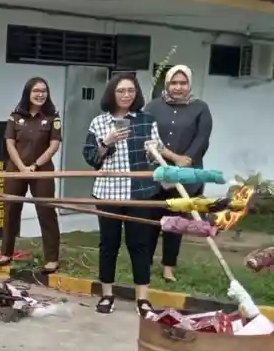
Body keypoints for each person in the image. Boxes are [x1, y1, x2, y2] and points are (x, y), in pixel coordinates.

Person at [83, 72, 163, 316]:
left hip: (139, 192)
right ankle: (107, 294)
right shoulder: (98, 122)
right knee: (109, 244)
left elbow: (157, 157)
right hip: (108, 192)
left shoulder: (147, 120)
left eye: (131, 90)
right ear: (112, 94)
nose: (126, 95)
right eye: (121, 91)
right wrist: (106, 142)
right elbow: (91, 158)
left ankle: (143, 298)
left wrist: (153, 150)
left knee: (140, 244)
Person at [145, 65, 213, 282]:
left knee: (175, 223)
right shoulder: (153, 107)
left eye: (183, 83)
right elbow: (146, 136)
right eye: (174, 83)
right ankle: (144, 262)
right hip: (156, 173)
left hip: (185, 175)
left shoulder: (200, 108)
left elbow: (202, 139)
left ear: (189, 84)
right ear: (167, 84)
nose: (178, 87)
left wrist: (187, 161)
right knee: (151, 221)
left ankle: (168, 267)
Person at [0, 77, 63, 272]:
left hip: (41, 170)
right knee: (10, 210)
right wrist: (21, 167)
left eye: (44, 90)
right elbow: (10, 142)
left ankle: (52, 258)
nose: (40, 94)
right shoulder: (16, 115)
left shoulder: (53, 117)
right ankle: (6, 253)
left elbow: (54, 145)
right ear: (28, 93)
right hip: (15, 170)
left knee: (46, 211)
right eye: (36, 91)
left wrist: (34, 165)